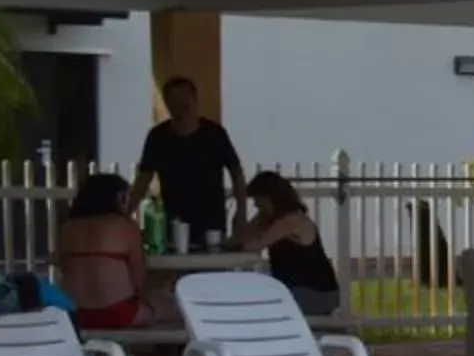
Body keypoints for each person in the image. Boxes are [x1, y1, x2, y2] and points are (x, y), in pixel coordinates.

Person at [135, 76, 246, 250]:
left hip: (211, 218)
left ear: (195, 100)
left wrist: (241, 210)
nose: (180, 107)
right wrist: (127, 214)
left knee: (212, 267)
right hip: (173, 218)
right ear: (167, 103)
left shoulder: (215, 134)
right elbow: (144, 177)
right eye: (174, 101)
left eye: (184, 102)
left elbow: (236, 172)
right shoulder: (158, 137)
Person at [234, 170, 342, 316]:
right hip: (295, 290)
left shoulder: (291, 221)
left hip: (316, 294)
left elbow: (251, 245)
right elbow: (240, 238)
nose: (256, 205)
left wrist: (253, 224)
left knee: (260, 301)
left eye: (258, 200)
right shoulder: (270, 219)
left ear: (270, 198)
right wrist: (250, 218)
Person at [54, 172, 150, 330]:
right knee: (171, 309)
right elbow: (139, 280)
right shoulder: (126, 226)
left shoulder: (67, 227)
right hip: (118, 312)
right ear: (118, 198)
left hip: (75, 313)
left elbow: (62, 266)